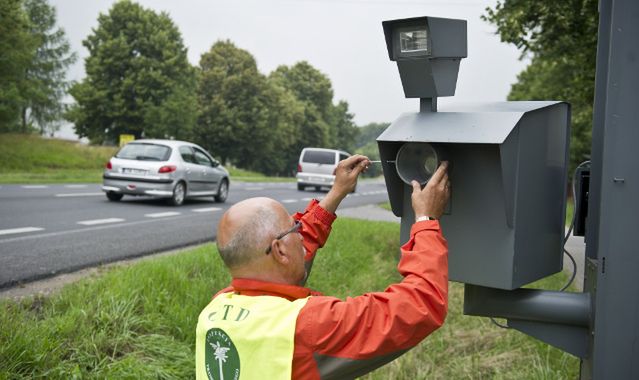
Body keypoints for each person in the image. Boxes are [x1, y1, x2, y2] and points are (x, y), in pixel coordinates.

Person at [196, 154, 450, 380]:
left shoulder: (215, 310)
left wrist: (336, 193)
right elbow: (420, 304)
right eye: (295, 226)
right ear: (280, 250)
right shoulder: (310, 326)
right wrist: (426, 220)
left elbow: (285, 261)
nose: (301, 231)